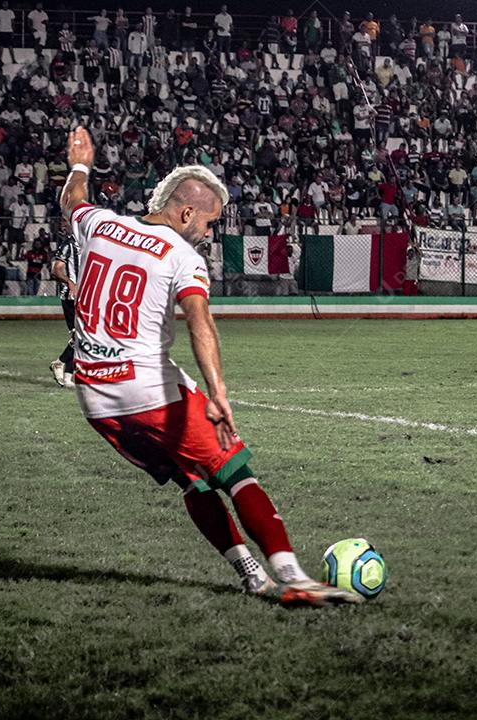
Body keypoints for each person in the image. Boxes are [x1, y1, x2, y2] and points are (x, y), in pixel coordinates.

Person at [60, 126, 358, 607]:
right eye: (210, 222)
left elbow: (71, 200)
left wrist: (80, 163)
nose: (208, 233)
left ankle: (250, 575)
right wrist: (218, 394)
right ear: (185, 212)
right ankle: (293, 577)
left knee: (192, 478)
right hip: (149, 391)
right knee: (235, 471)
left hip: (95, 400)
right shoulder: (180, 254)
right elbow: (201, 323)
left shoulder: (99, 224)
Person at [50, 232, 80, 387]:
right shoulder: (68, 245)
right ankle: (60, 362)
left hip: (84, 296)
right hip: (71, 296)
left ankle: (68, 376)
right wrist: (69, 282)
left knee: (81, 337)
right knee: (81, 336)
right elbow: (57, 270)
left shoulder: (89, 243)